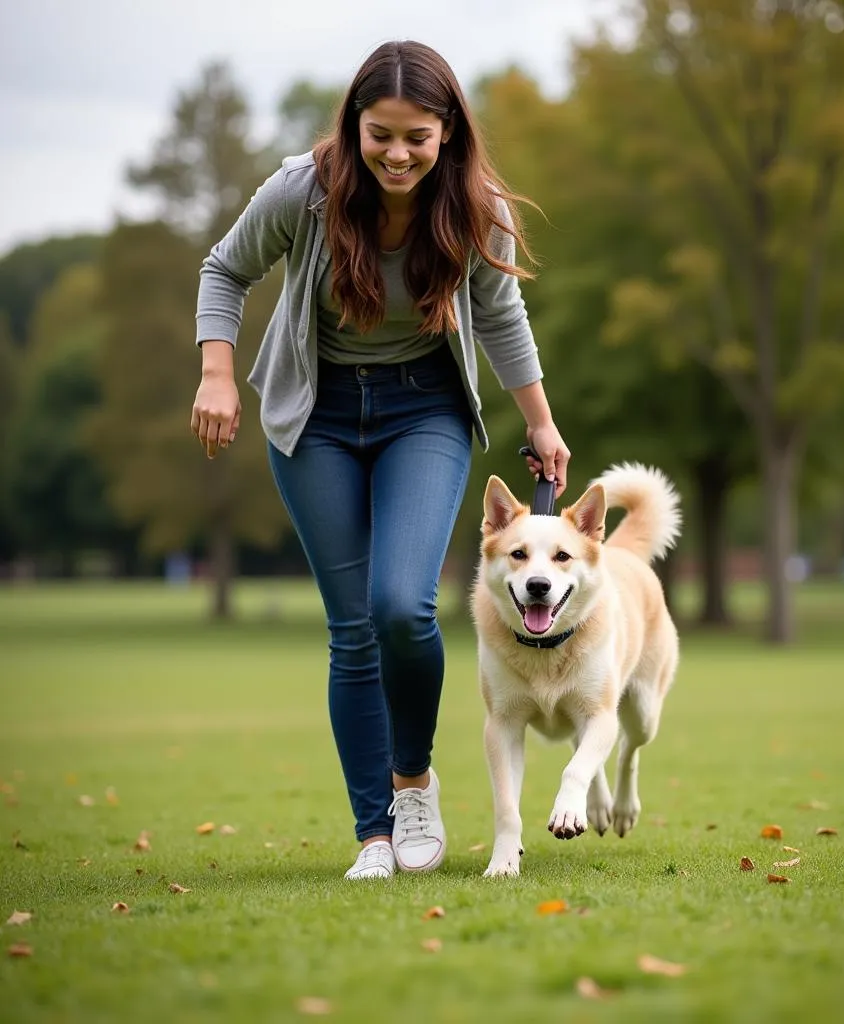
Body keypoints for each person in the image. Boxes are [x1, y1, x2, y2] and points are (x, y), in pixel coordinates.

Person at [190, 40, 570, 880]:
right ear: (354, 126)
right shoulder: (305, 189)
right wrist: (217, 373)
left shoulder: (477, 208)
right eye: (380, 134)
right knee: (353, 628)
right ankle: (375, 835)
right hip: (315, 415)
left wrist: (540, 423)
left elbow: (502, 318)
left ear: (448, 135)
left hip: (422, 410)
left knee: (402, 606)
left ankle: (413, 783)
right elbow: (225, 270)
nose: (397, 154)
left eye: (417, 138)